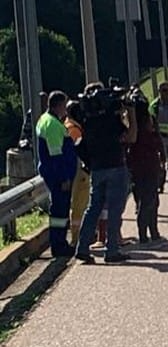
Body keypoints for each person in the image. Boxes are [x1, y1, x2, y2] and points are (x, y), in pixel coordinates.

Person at [74, 85, 138, 264]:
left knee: (93, 208)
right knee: (115, 210)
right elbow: (131, 137)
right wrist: (130, 112)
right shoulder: (112, 119)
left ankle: (83, 248)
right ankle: (112, 251)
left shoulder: (87, 120)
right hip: (116, 166)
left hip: (97, 168)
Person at [35, 91, 77, 258]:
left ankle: (59, 242)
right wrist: (64, 178)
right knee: (60, 211)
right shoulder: (52, 125)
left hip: (52, 172)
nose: (65, 110)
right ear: (58, 105)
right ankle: (59, 245)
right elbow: (56, 156)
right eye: (64, 105)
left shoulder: (45, 119)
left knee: (58, 210)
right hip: (58, 175)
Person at [127, 92, 166, 246]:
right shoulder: (143, 124)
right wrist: (162, 157)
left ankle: (151, 233)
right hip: (147, 166)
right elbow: (156, 140)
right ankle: (147, 234)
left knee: (146, 200)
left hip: (138, 167)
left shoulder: (131, 123)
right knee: (149, 201)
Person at [64, 100, 89, 248]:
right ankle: (77, 239)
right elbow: (80, 151)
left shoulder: (67, 126)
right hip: (79, 173)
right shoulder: (74, 130)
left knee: (77, 206)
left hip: (73, 172)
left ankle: (77, 237)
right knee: (80, 206)